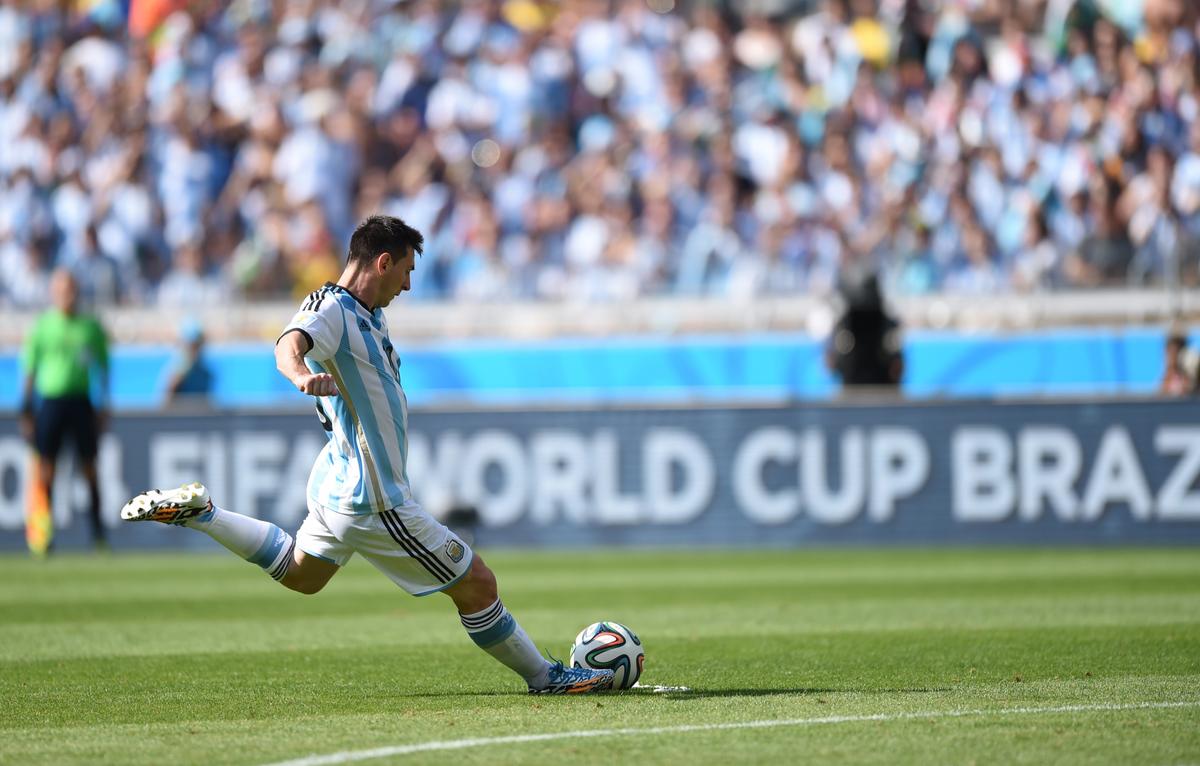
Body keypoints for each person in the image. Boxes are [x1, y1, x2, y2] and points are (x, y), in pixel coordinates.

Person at [120, 215, 613, 695]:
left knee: (302, 573)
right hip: (374, 497)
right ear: (382, 262)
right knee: (478, 584)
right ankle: (546, 678)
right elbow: (288, 344)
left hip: (339, 480)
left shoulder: (367, 314)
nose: (408, 285)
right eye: (406, 271)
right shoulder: (331, 308)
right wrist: (299, 376)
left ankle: (205, 514)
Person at [19, 269, 111, 555]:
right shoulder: (43, 326)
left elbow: (103, 367)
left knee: (90, 469)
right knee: (46, 470)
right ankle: (44, 536)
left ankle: (98, 534)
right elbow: (30, 369)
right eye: (61, 289)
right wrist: (26, 407)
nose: (66, 295)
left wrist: (104, 404)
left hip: (81, 402)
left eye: (70, 289)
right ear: (53, 292)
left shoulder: (90, 327)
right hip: (51, 402)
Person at [162, 319, 216, 404]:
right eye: (191, 346)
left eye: (197, 345)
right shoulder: (176, 373)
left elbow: (206, 404)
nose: (194, 350)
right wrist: (177, 380)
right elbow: (166, 404)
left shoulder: (206, 375)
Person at [1160, 326, 1197, 396]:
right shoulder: (1166, 379)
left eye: (1175, 352)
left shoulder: (1189, 379)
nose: (1171, 356)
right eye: (1169, 352)